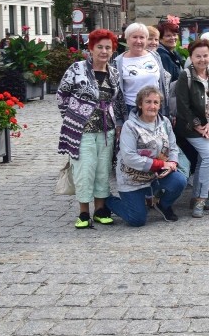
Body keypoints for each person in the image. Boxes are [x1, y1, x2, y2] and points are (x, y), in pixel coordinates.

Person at [57, 29, 127, 229]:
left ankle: (100, 210)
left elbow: (118, 99)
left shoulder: (113, 72)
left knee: (102, 171)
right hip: (82, 130)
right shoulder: (76, 69)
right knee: (84, 170)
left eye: (108, 47)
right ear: (91, 48)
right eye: (100, 47)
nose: (104, 51)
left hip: (107, 130)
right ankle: (83, 213)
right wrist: (72, 116)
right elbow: (62, 95)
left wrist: (119, 123)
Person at [106, 86, 186, 226]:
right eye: (148, 102)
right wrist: (161, 164)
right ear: (140, 104)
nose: (152, 106)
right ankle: (107, 201)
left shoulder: (165, 123)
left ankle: (163, 204)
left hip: (155, 175)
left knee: (179, 181)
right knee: (137, 220)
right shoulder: (130, 126)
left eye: (156, 102)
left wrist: (172, 162)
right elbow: (129, 157)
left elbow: (173, 147)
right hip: (132, 178)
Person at [175, 39, 209, 218]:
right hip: (190, 128)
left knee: (205, 160)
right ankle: (201, 198)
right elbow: (182, 105)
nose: (202, 59)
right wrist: (198, 126)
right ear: (191, 57)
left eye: (205, 55)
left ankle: (196, 197)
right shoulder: (185, 75)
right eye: (198, 56)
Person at [115, 23, 171, 118]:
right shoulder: (118, 62)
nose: (138, 41)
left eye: (142, 37)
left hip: (155, 108)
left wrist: (166, 111)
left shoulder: (155, 56)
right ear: (127, 39)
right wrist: (119, 120)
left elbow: (162, 84)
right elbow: (116, 94)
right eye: (134, 37)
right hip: (132, 110)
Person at [156, 19, 184, 83]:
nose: (173, 38)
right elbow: (167, 82)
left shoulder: (173, 53)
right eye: (168, 36)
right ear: (160, 39)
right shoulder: (163, 56)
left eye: (174, 35)